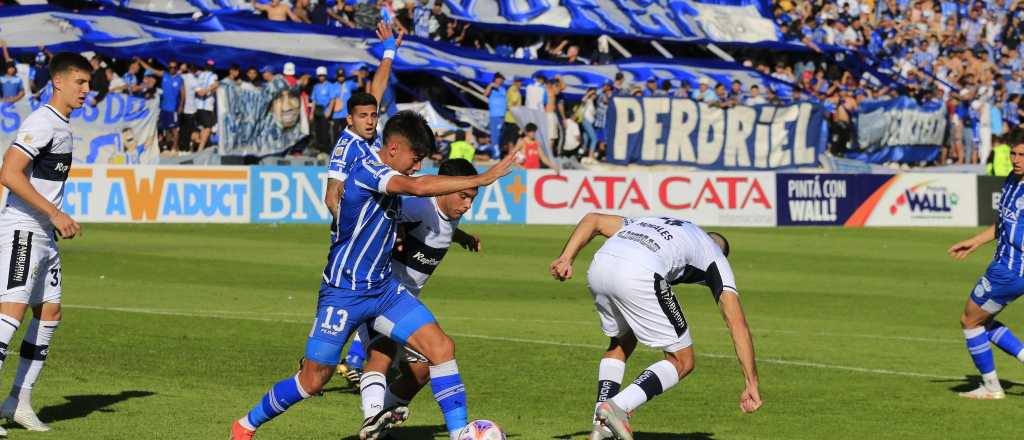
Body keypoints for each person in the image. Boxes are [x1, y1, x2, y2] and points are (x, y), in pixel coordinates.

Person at [229, 111, 520, 440]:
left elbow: (414, 196)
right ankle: (245, 425)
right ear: (394, 149)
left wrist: (457, 234)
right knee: (313, 380)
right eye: (415, 158)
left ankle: (459, 434)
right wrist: (480, 178)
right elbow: (418, 187)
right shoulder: (370, 170)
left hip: (383, 290)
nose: (417, 166)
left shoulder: (392, 177)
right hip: (343, 292)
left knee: (441, 348)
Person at [549, 214, 762, 440]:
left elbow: (594, 220)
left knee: (622, 341)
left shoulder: (662, 223)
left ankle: (600, 427)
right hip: (639, 271)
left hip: (600, 265)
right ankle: (616, 408)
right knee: (682, 360)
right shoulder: (716, 259)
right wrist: (751, 382)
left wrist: (566, 258)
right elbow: (737, 323)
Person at [356, 158, 484, 439]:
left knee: (421, 371)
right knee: (383, 355)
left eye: (472, 198)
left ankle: (376, 425)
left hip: (405, 302)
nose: (467, 205)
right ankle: (374, 418)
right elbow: (382, 214)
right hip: (379, 292)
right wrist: (396, 231)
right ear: (442, 188)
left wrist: (460, 236)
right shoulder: (417, 204)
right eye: (463, 196)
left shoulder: (451, 209)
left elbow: (439, 227)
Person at [0, 52, 91, 436]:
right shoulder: (41, 122)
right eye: (80, 82)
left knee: (50, 313)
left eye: (88, 83)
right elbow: (9, 172)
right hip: (24, 229)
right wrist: (54, 215)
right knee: (10, 315)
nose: (87, 90)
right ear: (58, 81)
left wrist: (52, 220)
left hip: (43, 234)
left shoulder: (62, 124)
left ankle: (18, 400)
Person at [948, 141, 1024, 400]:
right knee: (983, 321)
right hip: (1007, 268)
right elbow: (1003, 224)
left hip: (1008, 271)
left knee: (970, 321)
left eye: (1022, 155)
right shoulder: (1012, 181)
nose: (1016, 159)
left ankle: (992, 387)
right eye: (1013, 153)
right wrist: (975, 242)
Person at [193, 61, 219, 152]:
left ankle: (197, 147)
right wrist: (211, 88)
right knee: (207, 128)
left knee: (203, 128)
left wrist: (211, 88)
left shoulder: (199, 75)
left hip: (198, 106)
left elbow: (199, 90)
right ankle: (200, 149)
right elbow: (213, 88)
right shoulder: (213, 75)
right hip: (206, 106)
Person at [311, 66, 337, 154]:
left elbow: (332, 99)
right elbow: (314, 100)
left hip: (325, 109)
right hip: (317, 110)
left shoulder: (330, 85)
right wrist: (311, 113)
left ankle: (326, 150)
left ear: (325, 76)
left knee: (325, 130)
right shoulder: (316, 86)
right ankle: (319, 148)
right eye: (319, 75)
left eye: (322, 75)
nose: (321, 77)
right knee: (317, 130)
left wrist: (329, 111)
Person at [484, 73, 507, 151]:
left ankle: (498, 152)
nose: (502, 81)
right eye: (501, 79)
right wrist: (490, 85)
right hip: (494, 115)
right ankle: (495, 155)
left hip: (502, 115)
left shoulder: (503, 89)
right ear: (496, 79)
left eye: (503, 79)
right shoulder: (491, 88)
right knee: (495, 135)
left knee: (500, 135)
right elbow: (485, 94)